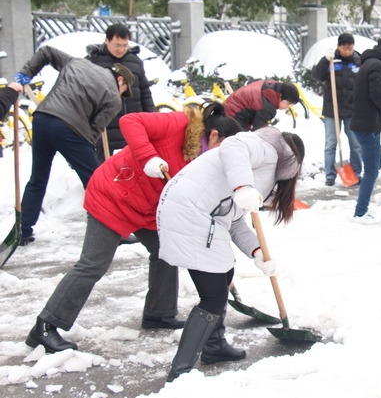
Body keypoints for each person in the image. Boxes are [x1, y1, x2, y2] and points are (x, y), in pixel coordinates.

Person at [24, 101, 242, 354]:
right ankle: (46, 326)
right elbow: (130, 121)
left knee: (167, 253)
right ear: (213, 135)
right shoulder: (180, 123)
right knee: (93, 263)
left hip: (148, 208)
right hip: (113, 195)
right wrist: (149, 157)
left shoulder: (204, 159)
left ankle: (159, 313)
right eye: (223, 149)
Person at [157, 126, 304, 382]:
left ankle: (214, 346)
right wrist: (243, 186)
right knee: (212, 296)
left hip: (198, 214)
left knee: (224, 273)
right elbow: (233, 145)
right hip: (192, 214)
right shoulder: (267, 149)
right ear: (293, 162)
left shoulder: (265, 169)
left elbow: (234, 220)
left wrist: (257, 251)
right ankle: (180, 372)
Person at [14, 46, 135, 246]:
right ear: (120, 81)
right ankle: (116, 230)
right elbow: (94, 129)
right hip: (71, 130)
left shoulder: (77, 63)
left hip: (43, 119)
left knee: (38, 178)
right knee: (98, 182)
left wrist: (26, 73)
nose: (122, 94)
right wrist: (82, 153)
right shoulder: (113, 97)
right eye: (125, 90)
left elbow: (46, 52)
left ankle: (23, 230)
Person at [86, 23, 156, 162]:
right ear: (107, 41)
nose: (121, 49)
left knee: (132, 167)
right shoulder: (93, 62)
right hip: (104, 128)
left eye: (125, 45)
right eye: (117, 45)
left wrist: (152, 119)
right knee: (103, 169)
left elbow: (145, 93)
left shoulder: (135, 62)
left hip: (131, 126)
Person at [350, 36, 381, 221]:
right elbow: (377, 97)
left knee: (378, 162)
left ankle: (362, 204)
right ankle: (360, 212)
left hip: (371, 124)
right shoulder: (376, 66)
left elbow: (373, 100)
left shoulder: (371, 64)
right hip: (367, 126)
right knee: (372, 171)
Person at [312, 33, 363, 186]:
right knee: (331, 142)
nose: (347, 51)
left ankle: (356, 173)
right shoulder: (331, 60)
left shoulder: (358, 61)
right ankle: (330, 175)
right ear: (338, 46)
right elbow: (316, 75)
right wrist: (324, 60)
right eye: (344, 48)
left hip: (352, 110)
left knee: (355, 143)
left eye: (350, 48)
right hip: (331, 109)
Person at [224, 79, 300, 131]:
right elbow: (260, 132)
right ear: (280, 96)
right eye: (288, 103)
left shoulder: (269, 84)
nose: (288, 107)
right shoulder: (268, 106)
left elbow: (251, 82)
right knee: (244, 144)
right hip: (232, 117)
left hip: (226, 107)